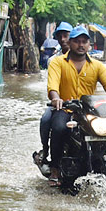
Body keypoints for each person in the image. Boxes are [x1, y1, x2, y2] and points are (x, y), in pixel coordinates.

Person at [39, 25, 106, 175]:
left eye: (84, 41)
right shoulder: (58, 63)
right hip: (65, 108)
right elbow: (53, 85)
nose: (81, 45)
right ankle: (55, 166)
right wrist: (56, 98)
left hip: (88, 111)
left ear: (89, 45)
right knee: (58, 128)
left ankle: (101, 158)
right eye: (77, 41)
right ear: (70, 43)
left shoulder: (97, 66)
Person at [35, 22, 77, 164]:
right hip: (60, 102)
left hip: (81, 104)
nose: (63, 39)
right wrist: (56, 97)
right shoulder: (54, 60)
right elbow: (52, 84)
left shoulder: (85, 58)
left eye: (66, 36)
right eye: (60, 36)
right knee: (46, 120)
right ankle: (46, 150)